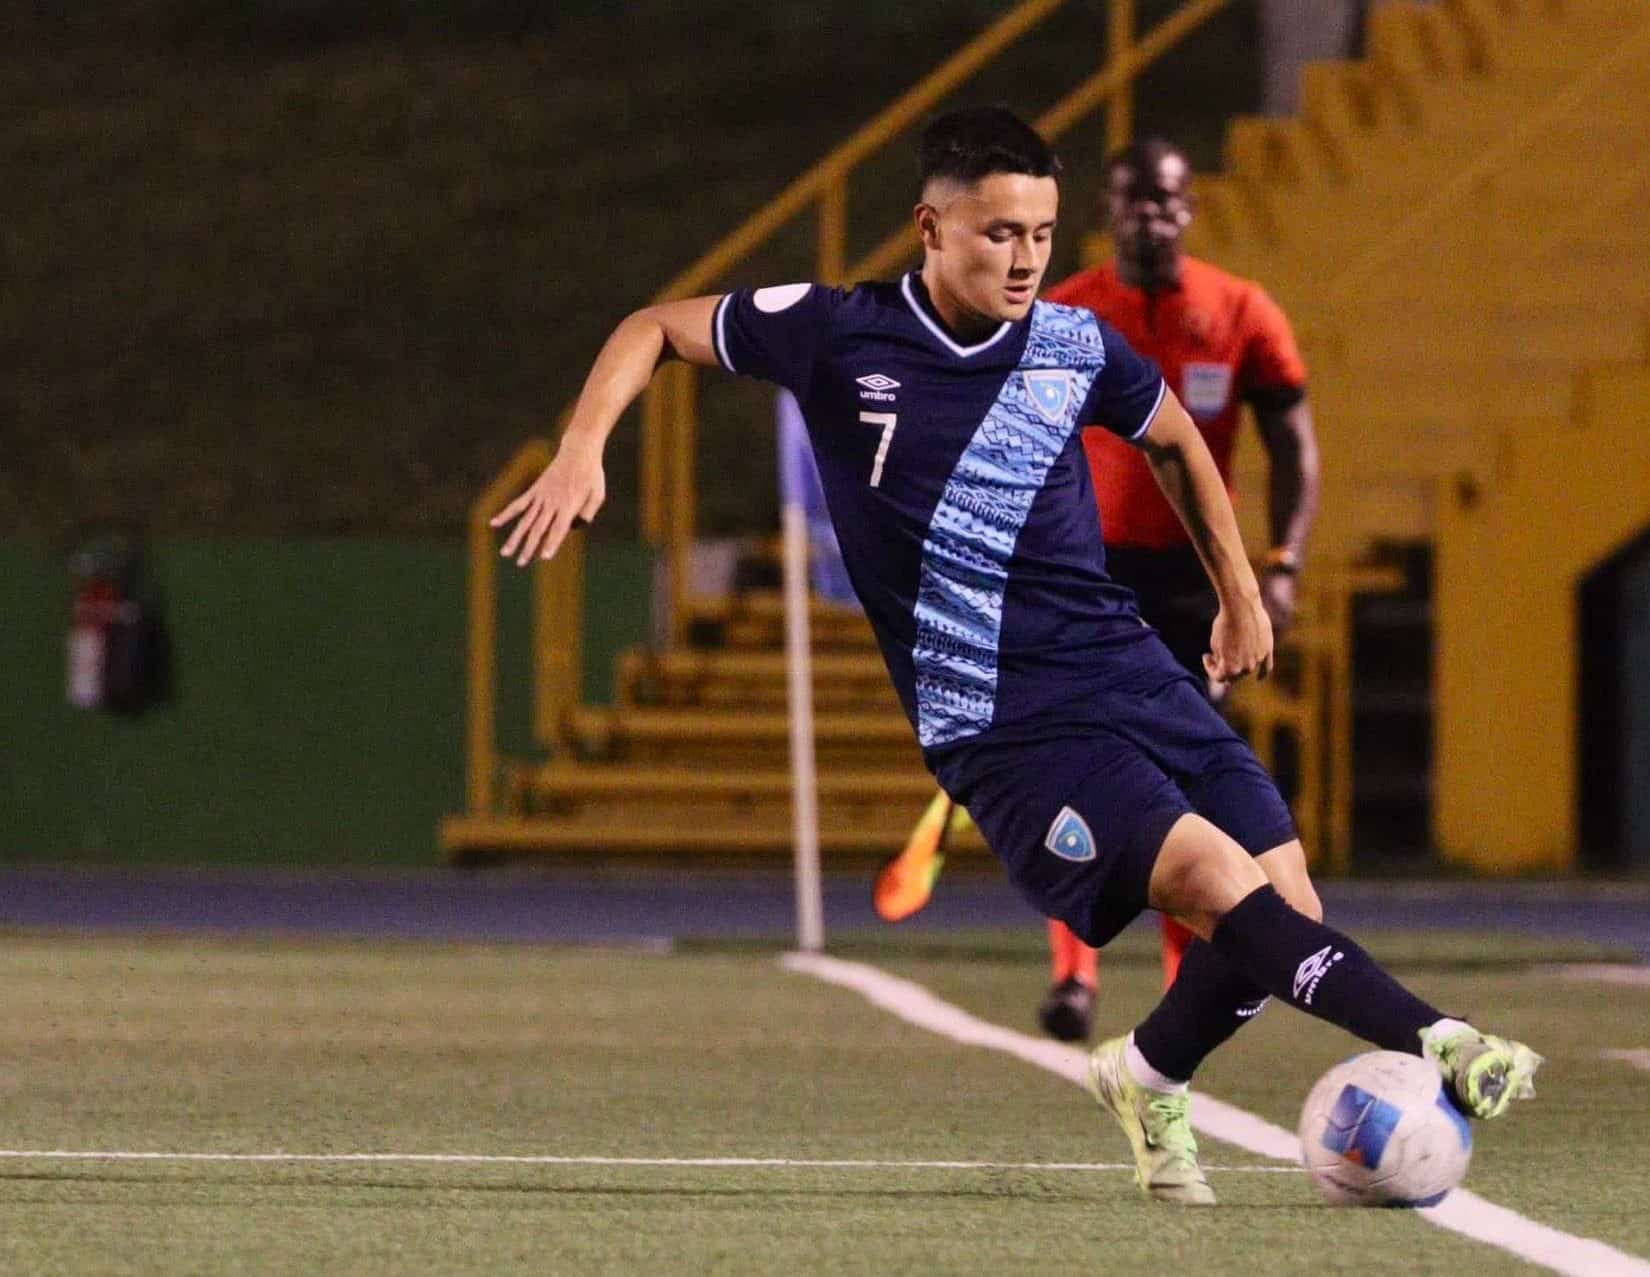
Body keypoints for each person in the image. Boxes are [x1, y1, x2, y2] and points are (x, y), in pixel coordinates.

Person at [492, 106, 1541, 1206]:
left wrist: (1238, 592)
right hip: (1000, 717)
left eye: (1040, 233)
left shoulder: (1073, 341)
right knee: (1218, 886)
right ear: (930, 228)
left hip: (1128, 665)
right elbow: (652, 327)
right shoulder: (838, 330)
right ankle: (1444, 1039)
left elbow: (1175, 437)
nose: (1025, 256)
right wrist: (581, 450)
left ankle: (1146, 1072)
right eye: (998, 233)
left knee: (1289, 912)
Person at [876, 137, 1322, 1047]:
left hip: (1194, 585)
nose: (1150, 217)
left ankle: (1177, 975)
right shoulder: (1065, 309)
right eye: (1133, 202)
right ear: (1109, 214)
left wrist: (1276, 566)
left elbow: (1295, 448)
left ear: (1189, 206)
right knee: (1084, 780)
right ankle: (1074, 977)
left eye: (1166, 200)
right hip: (1081, 586)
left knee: (1180, 796)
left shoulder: (1240, 311)